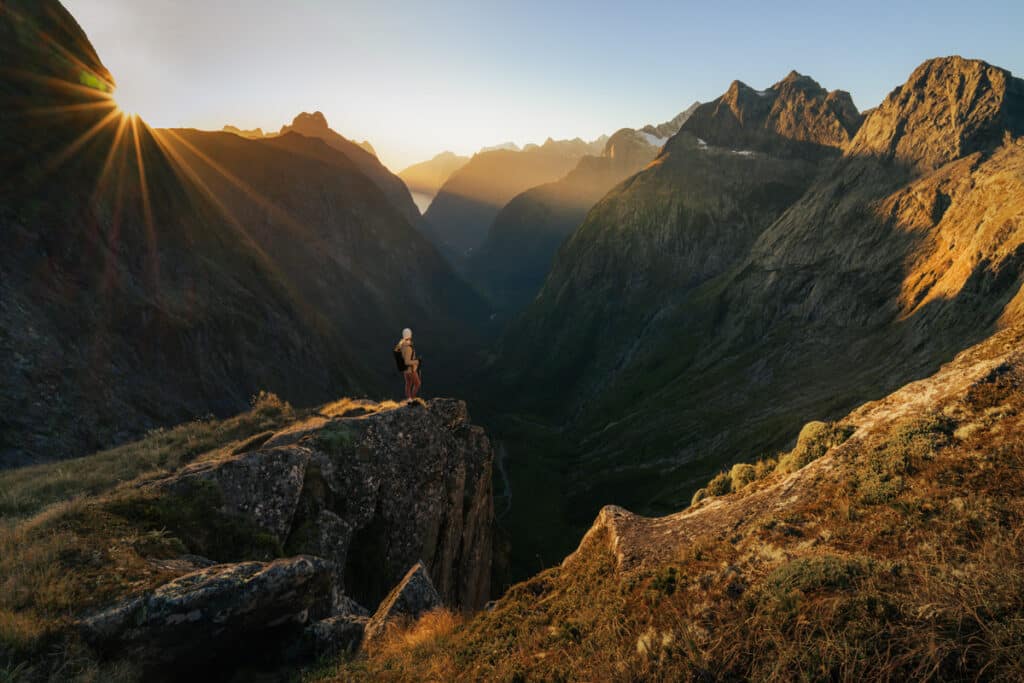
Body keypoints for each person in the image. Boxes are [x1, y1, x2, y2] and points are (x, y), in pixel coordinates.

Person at [395, 328, 421, 400]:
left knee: (408, 384)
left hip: (405, 369)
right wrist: (417, 361)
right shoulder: (408, 347)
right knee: (417, 384)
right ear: (410, 335)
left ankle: (409, 400)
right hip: (410, 369)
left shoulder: (401, 344)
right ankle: (412, 400)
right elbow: (407, 361)